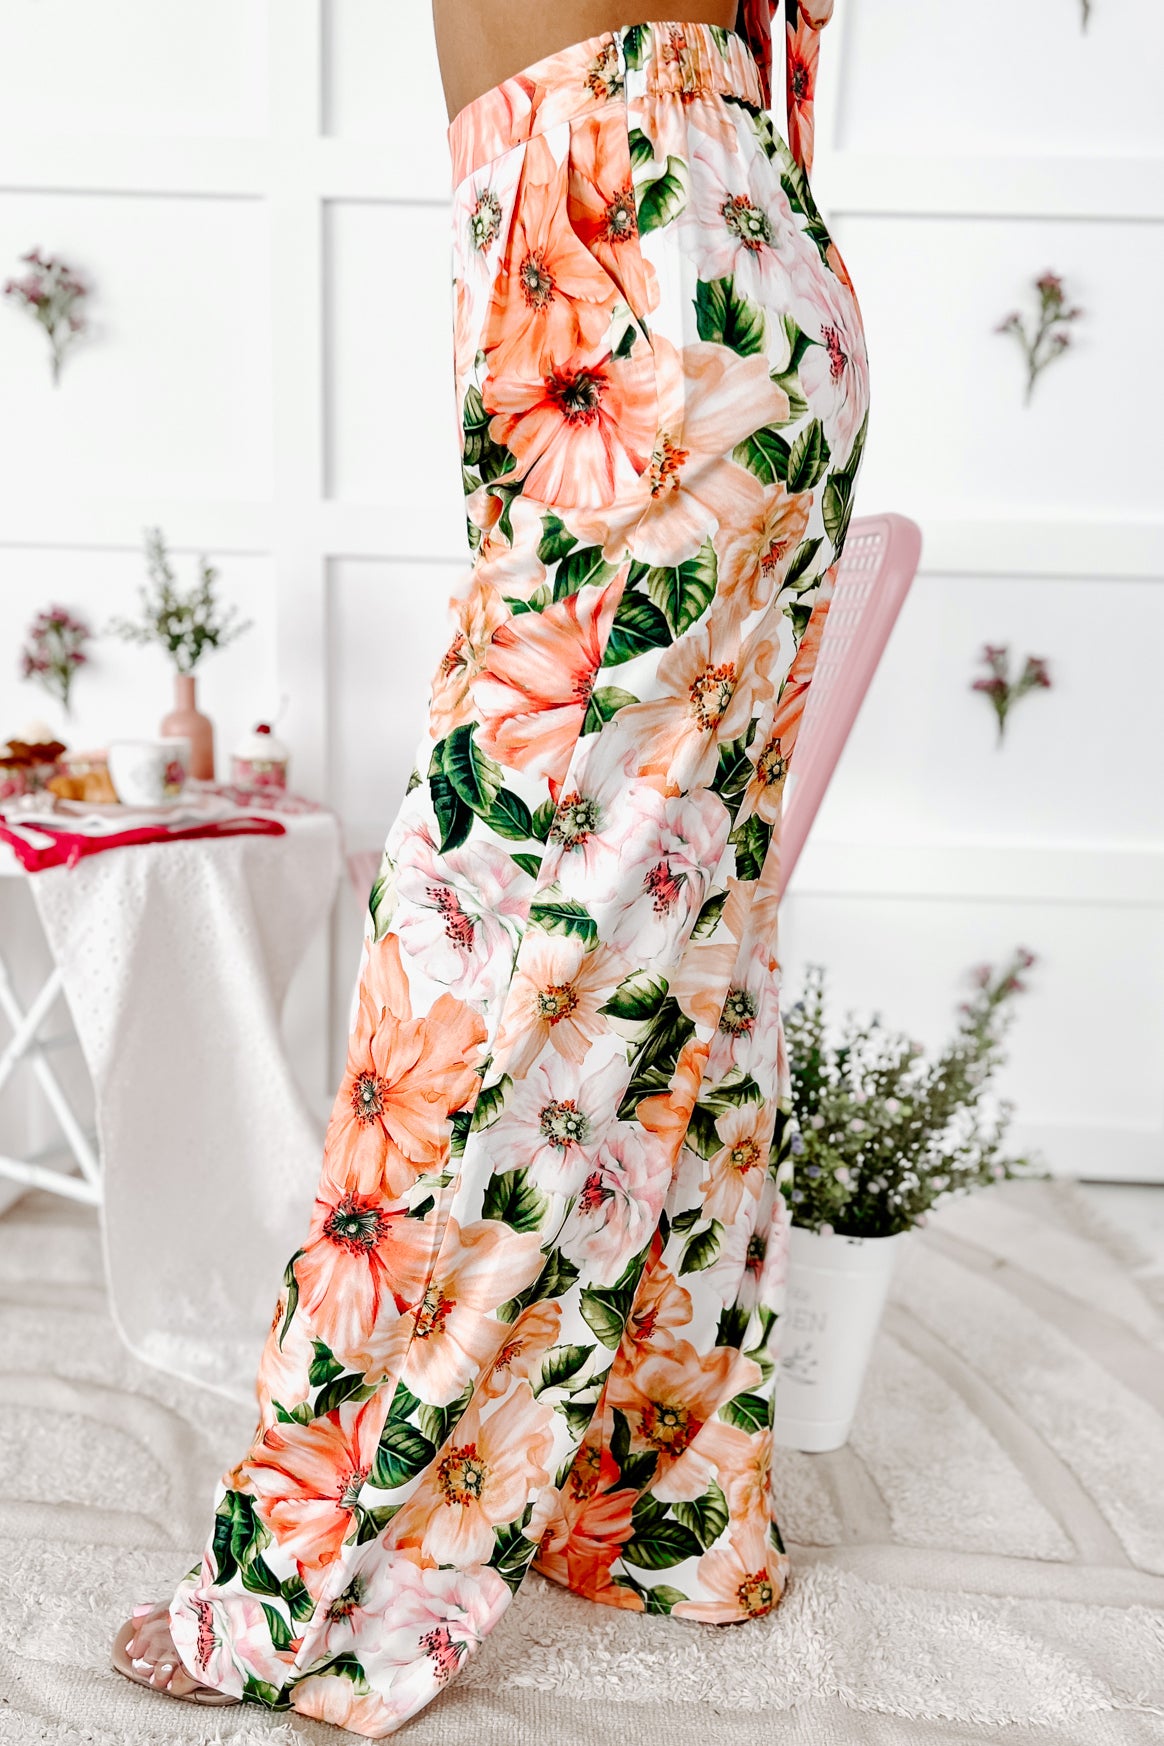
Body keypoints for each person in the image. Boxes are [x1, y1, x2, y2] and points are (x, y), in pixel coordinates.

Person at [112, 1, 869, 1735]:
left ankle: (304, 1588)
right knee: (683, 923)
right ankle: (662, 1507)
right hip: (761, 255)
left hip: (634, 251)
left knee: (489, 948)